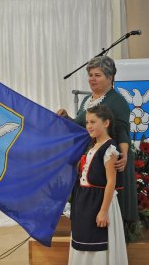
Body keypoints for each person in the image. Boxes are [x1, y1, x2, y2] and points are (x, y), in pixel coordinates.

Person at [57, 56, 138, 222]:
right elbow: (82, 128)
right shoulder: (87, 100)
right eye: (90, 75)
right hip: (91, 160)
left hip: (107, 160)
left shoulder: (117, 101)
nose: (92, 79)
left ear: (110, 78)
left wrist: (124, 154)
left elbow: (123, 130)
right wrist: (67, 118)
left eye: (97, 75)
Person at [69, 105, 128, 265]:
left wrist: (103, 212)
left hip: (99, 203)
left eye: (93, 122)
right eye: (87, 122)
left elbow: (111, 182)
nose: (89, 126)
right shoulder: (92, 147)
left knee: (97, 246)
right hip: (84, 202)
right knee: (81, 242)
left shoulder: (109, 149)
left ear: (106, 123)